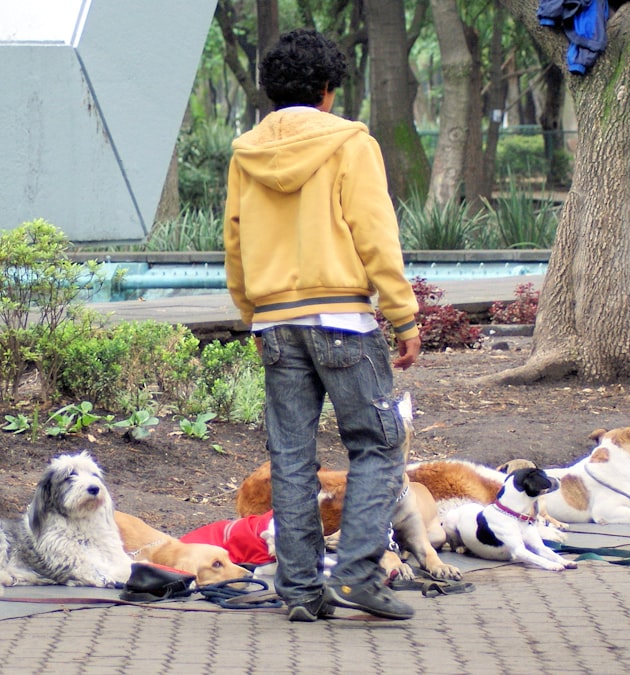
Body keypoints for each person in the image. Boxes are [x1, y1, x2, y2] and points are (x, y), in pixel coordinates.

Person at [222, 29, 422, 622]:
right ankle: (359, 572)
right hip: (343, 321)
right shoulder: (350, 143)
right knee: (379, 445)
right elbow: (374, 233)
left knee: (290, 455)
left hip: (275, 323)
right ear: (328, 90)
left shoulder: (245, 153)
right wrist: (402, 313)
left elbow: (233, 242)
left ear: (271, 91)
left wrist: (249, 312)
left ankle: (302, 590)